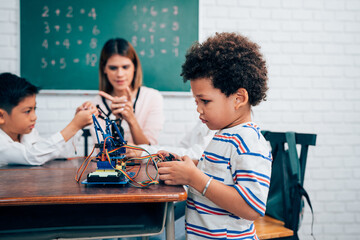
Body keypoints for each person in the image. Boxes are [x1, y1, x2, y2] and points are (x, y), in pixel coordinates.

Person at [157, 32, 272, 239]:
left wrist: (194, 178)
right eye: (196, 102)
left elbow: (252, 207)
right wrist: (189, 165)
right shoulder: (226, 135)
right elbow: (220, 173)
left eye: (205, 101)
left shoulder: (249, 142)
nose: (199, 110)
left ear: (239, 98)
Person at [0, 72, 97, 166]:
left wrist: (77, 125)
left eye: (35, 109)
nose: (34, 117)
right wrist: (74, 125)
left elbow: (59, 153)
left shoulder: (27, 134)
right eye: (27, 111)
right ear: (1, 116)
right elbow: (32, 156)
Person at [91, 38, 164, 146]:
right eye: (113, 68)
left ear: (134, 67)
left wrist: (131, 119)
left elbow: (149, 150)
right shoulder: (96, 104)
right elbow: (101, 150)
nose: (120, 74)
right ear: (104, 69)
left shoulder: (152, 98)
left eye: (125, 67)